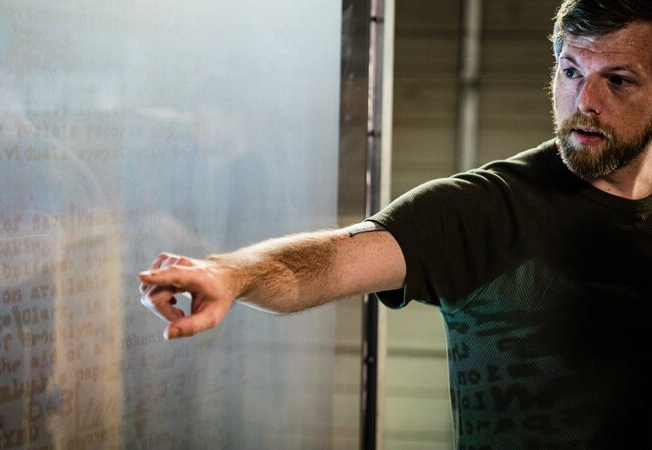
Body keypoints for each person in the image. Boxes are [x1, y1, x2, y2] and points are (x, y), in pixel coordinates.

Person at [139, 0, 652, 446]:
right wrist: (230, 274)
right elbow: (332, 261)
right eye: (571, 72)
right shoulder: (486, 209)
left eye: (618, 80)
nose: (586, 101)